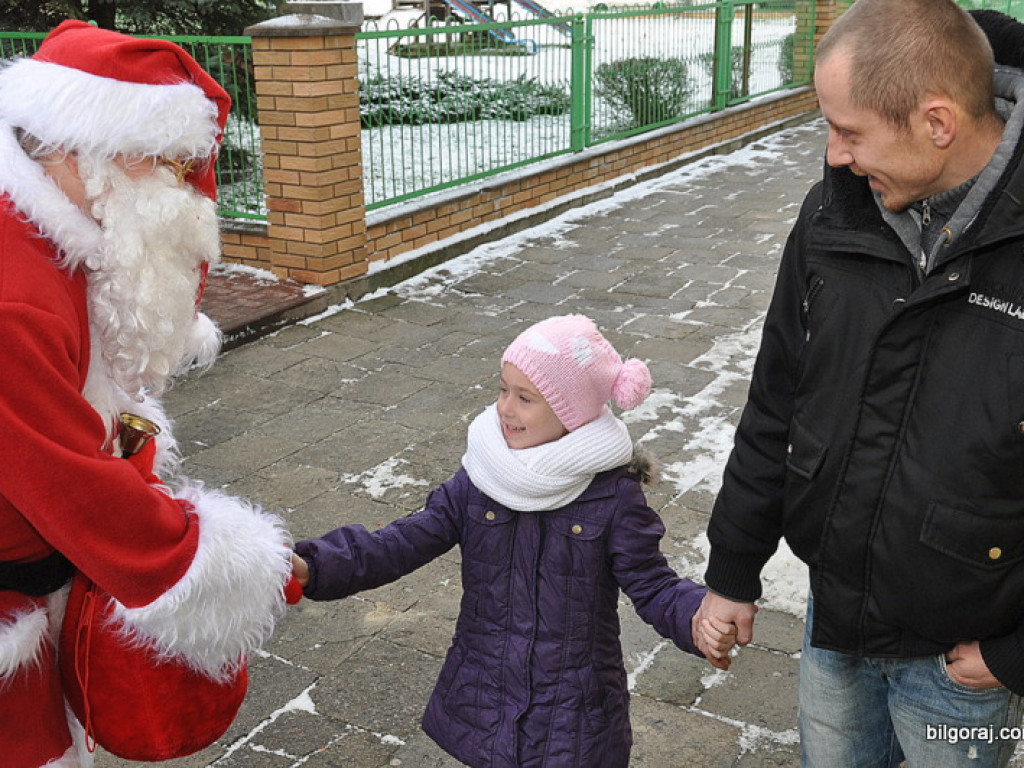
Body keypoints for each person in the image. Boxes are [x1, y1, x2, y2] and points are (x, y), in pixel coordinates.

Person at [695, 1, 1024, 765]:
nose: (835, 156)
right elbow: (776, 398)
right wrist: (733, 572)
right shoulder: (830, 217)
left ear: (936, 122)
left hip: (966, 666)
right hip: (833, 624)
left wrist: (1016, 657)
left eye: (850, 132)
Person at [0, 21, 296, 767]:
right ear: (89, 149)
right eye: (167, 163)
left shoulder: (47, 221)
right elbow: (71, 488)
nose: (183, 188)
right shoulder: (13, 296)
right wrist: (222, 564)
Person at [291, 314, 732, 768]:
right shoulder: (481, 477)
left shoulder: (611, 496)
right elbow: (402, 541)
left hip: (574, 713)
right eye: (503, 390)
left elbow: (652, 584)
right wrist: (317, 565)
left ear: (570, 414)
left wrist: (697, 618)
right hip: (487, 695)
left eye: (526, 398)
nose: (505, 408)